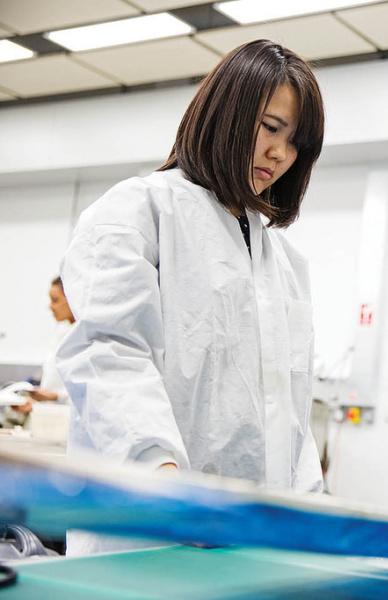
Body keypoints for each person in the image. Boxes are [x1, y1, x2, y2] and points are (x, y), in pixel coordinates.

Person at [56, 39, 326, 554]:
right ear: (227, 113)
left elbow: (290, 411)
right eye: (270, 127)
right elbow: (109, 354)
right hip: (146, 531)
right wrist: (161, 473)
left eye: (296, 143)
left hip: (250, 538)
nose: (280, 154)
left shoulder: (286, 262)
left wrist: (308, 510)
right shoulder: (139, 211)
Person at [2, 277, 75, 429]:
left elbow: (89, 395)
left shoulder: (87, 340)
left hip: (70, 423)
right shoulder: (63, 334)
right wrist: (33, 404)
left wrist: (57, 397)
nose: (50, 307)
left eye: (55, 300)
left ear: (72, 299)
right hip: (52, 420)